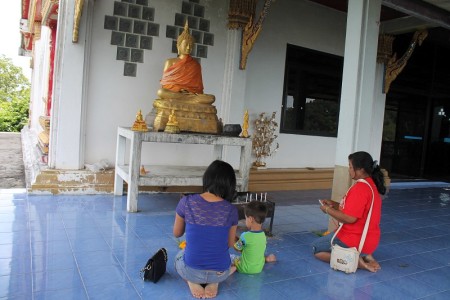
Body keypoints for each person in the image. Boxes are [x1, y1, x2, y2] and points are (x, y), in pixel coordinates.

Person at [311, 151, 386, 272]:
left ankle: (357, 262)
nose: (349, 170)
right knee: (328, 240)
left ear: (360, 169)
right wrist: (334, 204)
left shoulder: (360, 188)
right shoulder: (371, 185)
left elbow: (350, 218)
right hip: (370, 240)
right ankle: (367, 255)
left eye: (351, 167)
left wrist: (327, 209)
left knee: (316, 249)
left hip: (355, 239)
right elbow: (351, 209)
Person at [173, 160, 238, 299]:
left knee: (179, 256)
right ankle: (214, 282)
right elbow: (229, 244)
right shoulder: (231, 209)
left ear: (207, 179)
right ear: (229, 185)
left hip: (192, 269)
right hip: (221, 272)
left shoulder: (186, 201)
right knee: (227, 260)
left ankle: (192, 280)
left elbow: (177, 233)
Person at [158, 21, 215, 105]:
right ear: (178, 46)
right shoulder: (170, 62)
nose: (188, 48)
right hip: (175, 93)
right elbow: (165, 84)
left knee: (211, 98)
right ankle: (188, 99)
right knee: (161, 92)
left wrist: (190, 92)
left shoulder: (196, 65)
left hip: (191, 95)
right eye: (186, 45)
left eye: (191, 46)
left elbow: (199, 90)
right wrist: (179, 89)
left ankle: (187, 99)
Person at [230, 201, 276, 275]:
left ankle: (233, 268)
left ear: (250, 219)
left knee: (230, 257)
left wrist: (232, 237)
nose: (245, 221)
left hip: (244, 268)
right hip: (258, 268)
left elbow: (237, 249)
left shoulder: (245, 236)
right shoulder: (263, 235)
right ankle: (268, 259)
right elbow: (250, 246)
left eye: (246, 218)